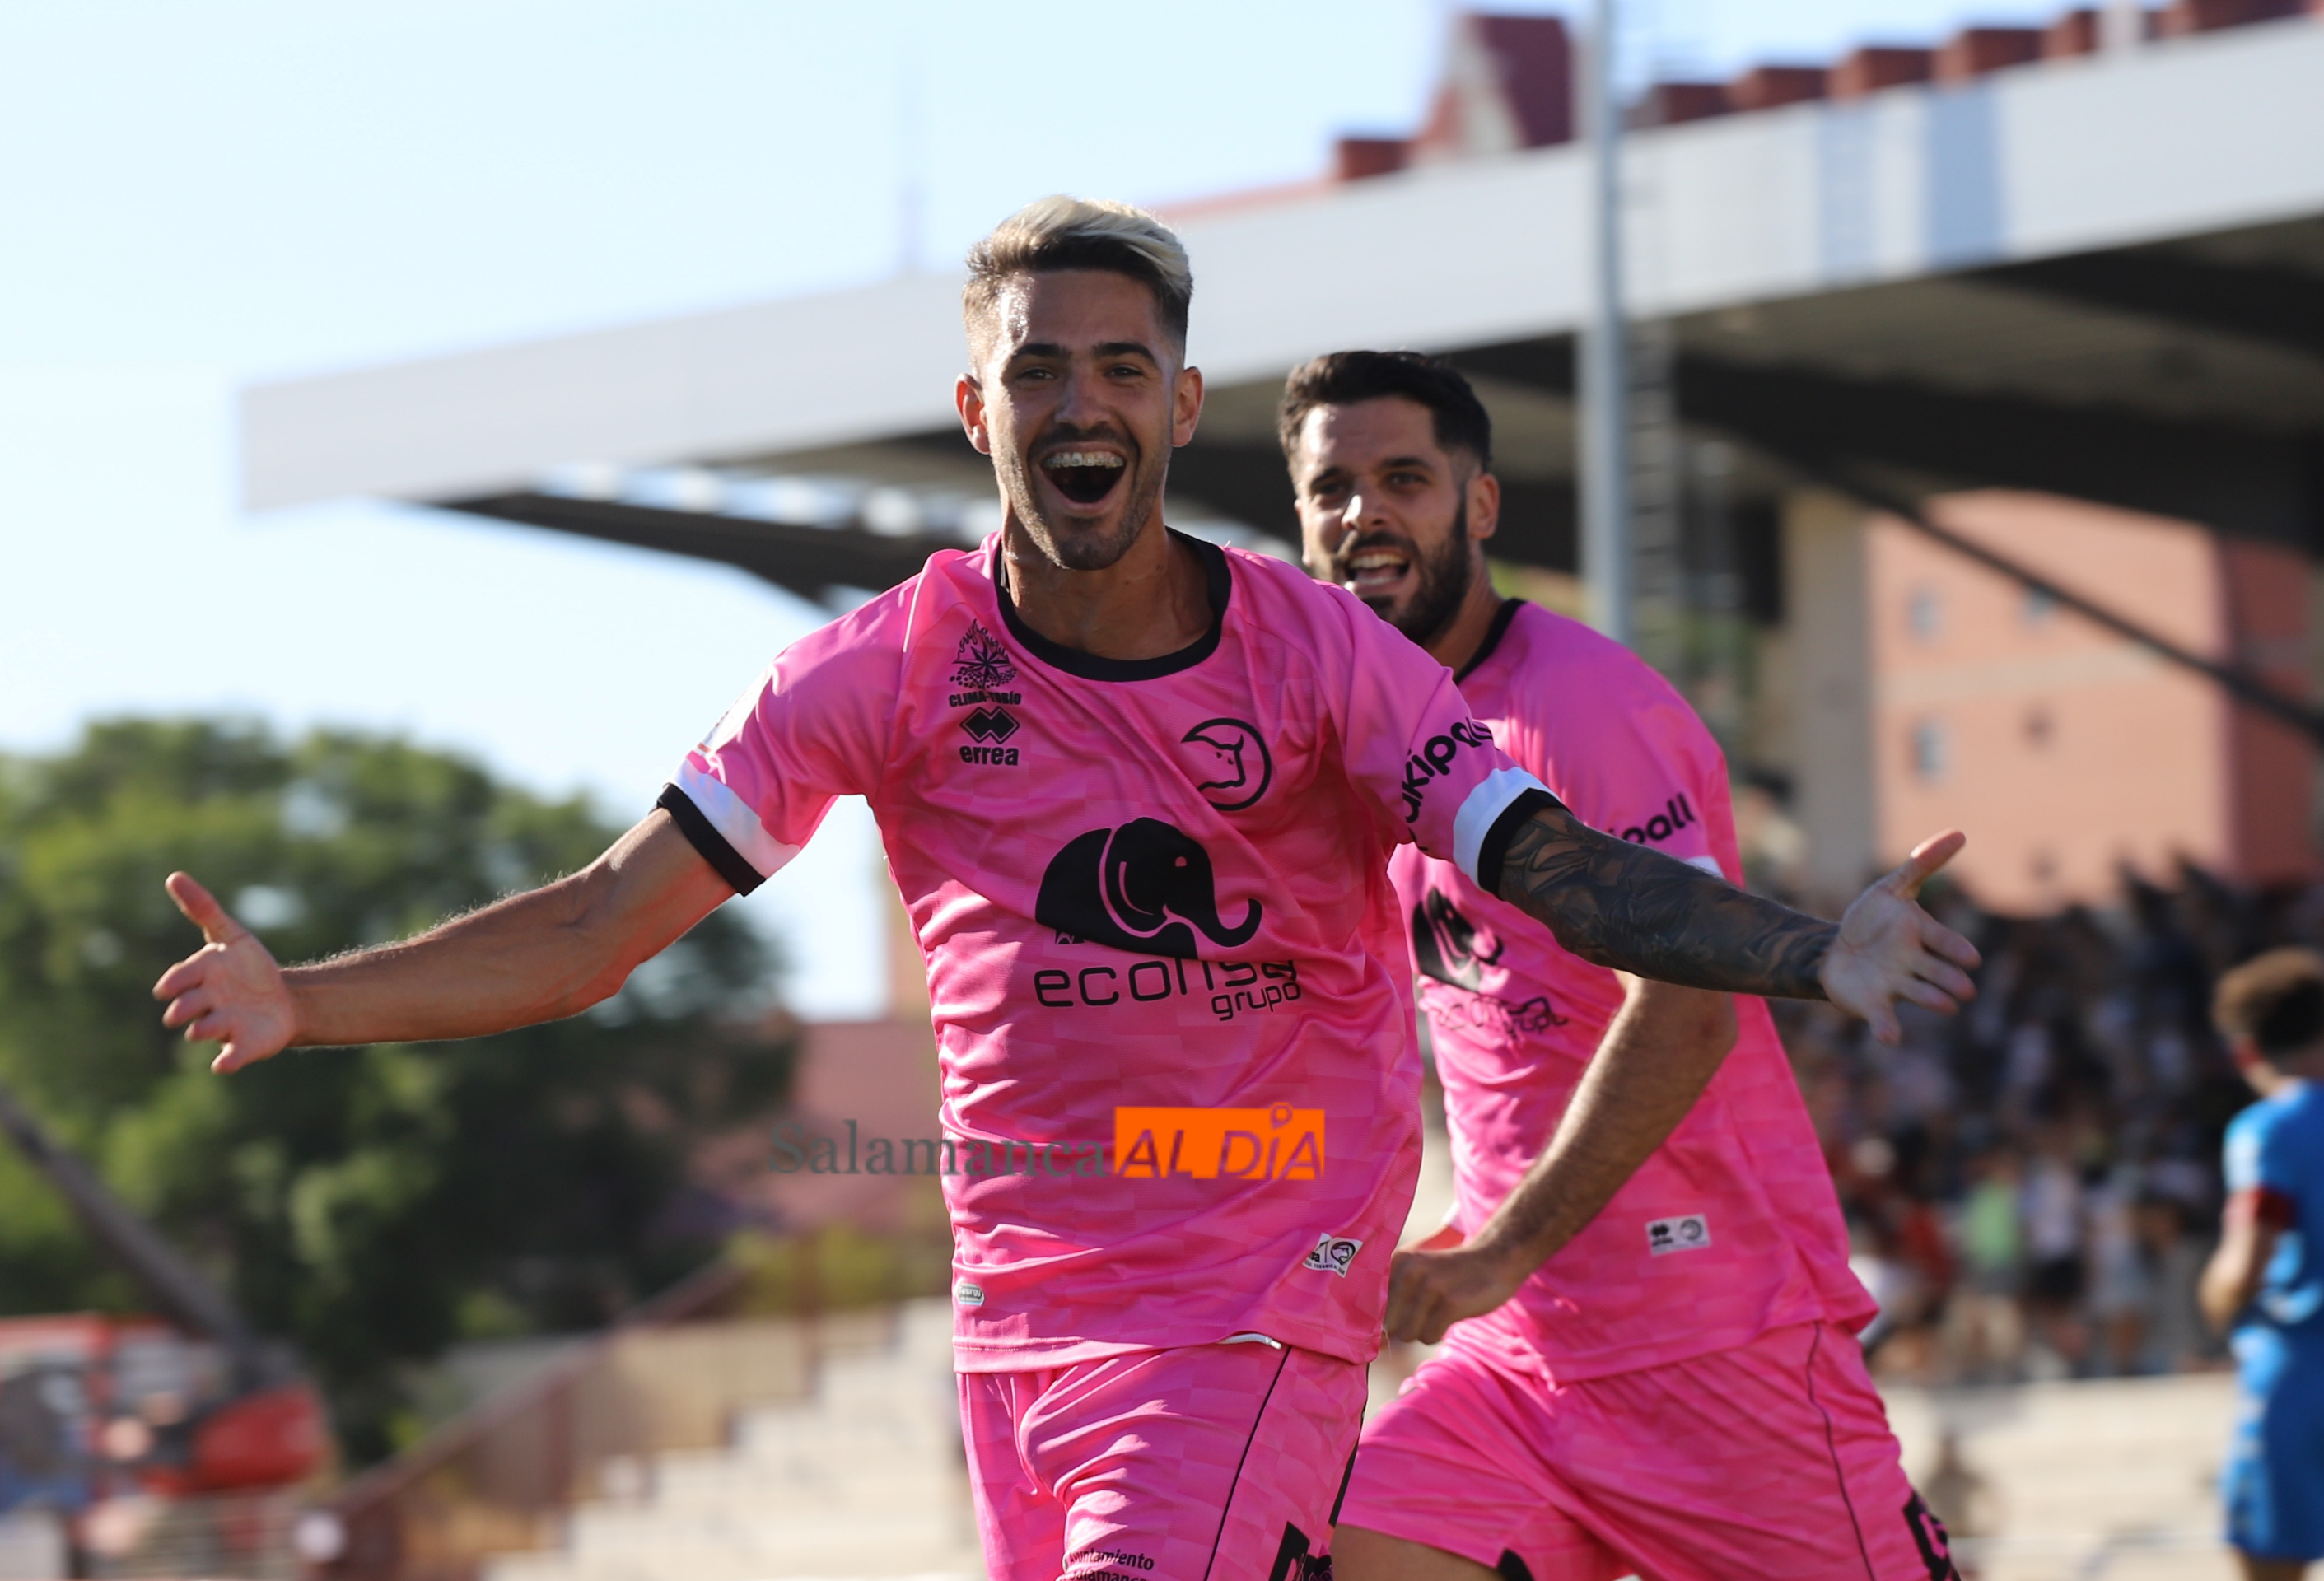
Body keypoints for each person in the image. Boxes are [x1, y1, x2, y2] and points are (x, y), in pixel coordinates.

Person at [152, 202, 1977, 1581]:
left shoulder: (1333, 666)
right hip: (1022, 1327)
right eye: (1039, 366)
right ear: (976, 406)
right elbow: (593, 925)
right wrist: (313, 998)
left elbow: (1566, 878)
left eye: (1119, 368)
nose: (1078, 400)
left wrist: (1812, 950)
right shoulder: (876, 670)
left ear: (1177, 406)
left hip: (1271, 1305)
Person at [1279, 350, 1962, 1581]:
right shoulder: (1375, 737)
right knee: (1331, 1554)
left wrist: (1498, 1253)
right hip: (1520, 1367)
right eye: (1331, 487)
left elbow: (1684, 1018)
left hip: (1718, 1343)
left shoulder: (1577, 708)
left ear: (1478, 506)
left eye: (1403, 479)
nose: (1362, 514)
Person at [2202, 948, 2324, 1581]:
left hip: (2301, 1374)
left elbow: (2245, 1266)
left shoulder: (2269, 1129)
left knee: (2267, 1565)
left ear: (2246, 1051)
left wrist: (2216, 1297)